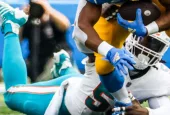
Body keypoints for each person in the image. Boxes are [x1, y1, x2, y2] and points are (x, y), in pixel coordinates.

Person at [1, 3, 170, 115]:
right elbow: (82, 39)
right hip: (70, 99)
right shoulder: (113, 52)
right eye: (146, 41)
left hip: (86, 89)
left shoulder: (160, 78)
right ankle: (11, 25)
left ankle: (65, 67)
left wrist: (148, 113)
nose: (147, 50)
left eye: (156, 46)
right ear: (131, 36)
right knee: (12, 95)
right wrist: (104, 35)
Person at [72, 0, 170, 108]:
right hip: (116, 17)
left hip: (161, 7)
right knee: (103, 66)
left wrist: (148, 29)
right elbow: (80, 30)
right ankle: (124, 102)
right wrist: (109, 51)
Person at [22, 0, 70, 82]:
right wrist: (21, 18)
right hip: (36, 61)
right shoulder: (29, 22)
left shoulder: (53, 19)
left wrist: (48, 9)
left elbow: (65, 25)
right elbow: (18, 39)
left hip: (57, 60)